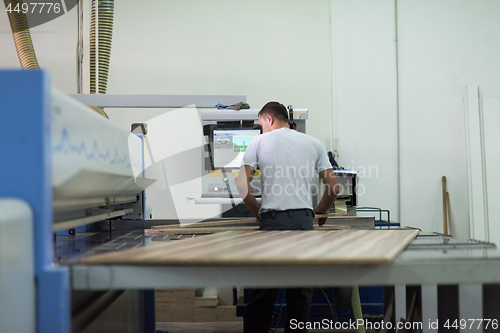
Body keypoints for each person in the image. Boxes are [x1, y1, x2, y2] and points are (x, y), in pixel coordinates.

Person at [236, 101, 339, 333]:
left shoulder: (259, 142)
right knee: (300, 296)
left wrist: (257, 212)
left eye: (261, 124)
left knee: (262, 294)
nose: (262, 129)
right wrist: (321, 209)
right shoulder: (314, 143)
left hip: (272, 223)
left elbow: (242, 184)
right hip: (303, 224)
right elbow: (333, 188)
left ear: (269, 119)